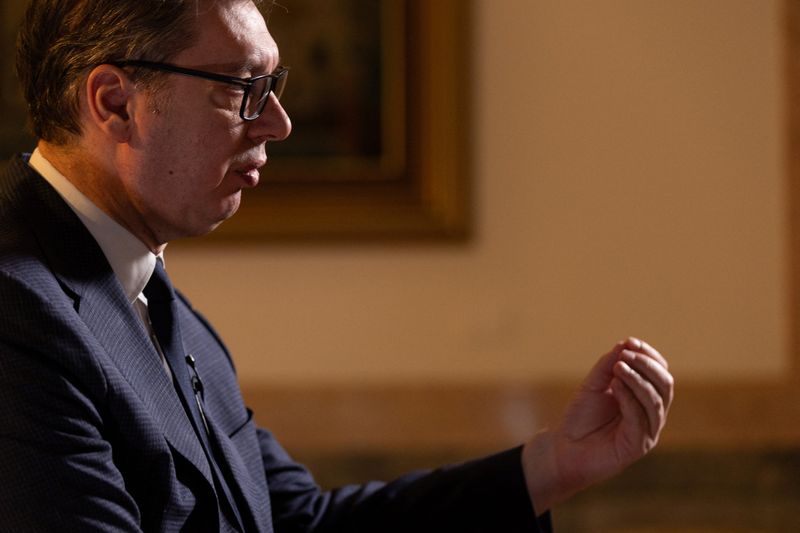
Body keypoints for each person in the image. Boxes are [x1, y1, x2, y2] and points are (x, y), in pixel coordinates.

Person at [0, 0, 675, 531]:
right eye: (242, 87)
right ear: (115, 103)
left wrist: (554, 463)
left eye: (273, 85)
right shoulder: (17, 312)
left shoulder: (154, 298)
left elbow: (300, 522)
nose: (279, 123)